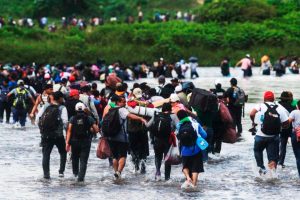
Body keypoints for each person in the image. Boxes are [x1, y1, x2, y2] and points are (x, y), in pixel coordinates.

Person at [106, 96, 147, 179]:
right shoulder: (122, 109)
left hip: (111, 137)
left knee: (114, 157)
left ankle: (116, 172)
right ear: (118, 102)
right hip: (121, 137)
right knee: (122, 156)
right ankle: (119, 172)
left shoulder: (110, 109)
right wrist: (140, 118)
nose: (125, 103)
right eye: (123, 102)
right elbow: (130, 115)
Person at [249, 91, 289, 177]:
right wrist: (281, 126)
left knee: (258, 151)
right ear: (273, 98)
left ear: (264, 98)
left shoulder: (260, 105)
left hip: (260, 135)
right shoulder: (279, 108)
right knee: (273, 158)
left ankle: (261, 169)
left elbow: (252, 113)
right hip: (274, 137)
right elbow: (286, 122)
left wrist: (254, 122)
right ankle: (272, 176)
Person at [36, 91, 68, 179]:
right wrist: (67, 133)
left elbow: (37, 119)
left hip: (46, 135)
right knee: (63, 152)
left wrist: (42, 131)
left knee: (46, 154)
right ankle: (61, 172)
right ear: (60, 98)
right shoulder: (62, 108)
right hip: (58, 135)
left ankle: (46, 174)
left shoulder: (46, 106)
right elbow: (65, 122)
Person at [66, 102, 99, 182]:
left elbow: (69, 130)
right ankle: (81, 178)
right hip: (86, 141)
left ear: (76, 109)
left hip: (74, 141)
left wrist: (67, 143)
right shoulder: (89, 118)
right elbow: (97, 130)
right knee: (83, 160)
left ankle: (75, 175)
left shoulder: (72, 118)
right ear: (84, 109)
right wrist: (91, 129)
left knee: (75, 159)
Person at [176, 110, 207, 188]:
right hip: (195, 150)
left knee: (185, 166)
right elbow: (205, 135)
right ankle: (194, 184)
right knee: (195, 168)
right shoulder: (196, 124)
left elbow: (178, 136)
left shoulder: (179, 125)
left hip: (184, 150)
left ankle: (188, 178)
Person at [147, 103, 177, 181]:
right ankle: (167, 178)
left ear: (162, 109)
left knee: (158, 157)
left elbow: (148, 125)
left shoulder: (156, 115)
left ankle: (158, 173)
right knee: (167, 158)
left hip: (157, 140)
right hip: (168, 141)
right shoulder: (173, 116)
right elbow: (179, 126)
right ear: (170, 109)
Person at [278, 91, 296, 168]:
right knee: (296, 147)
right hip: (292, 129)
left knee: (282, 147)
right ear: (289, 99)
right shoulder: (293, 107)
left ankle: (281, 163)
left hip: (283, 129)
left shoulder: (278, 105)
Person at [288, 100, 300, 178]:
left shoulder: (294, 112)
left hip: (296, 135)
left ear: (297, 106)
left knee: (298, 157)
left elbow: (287, 122)